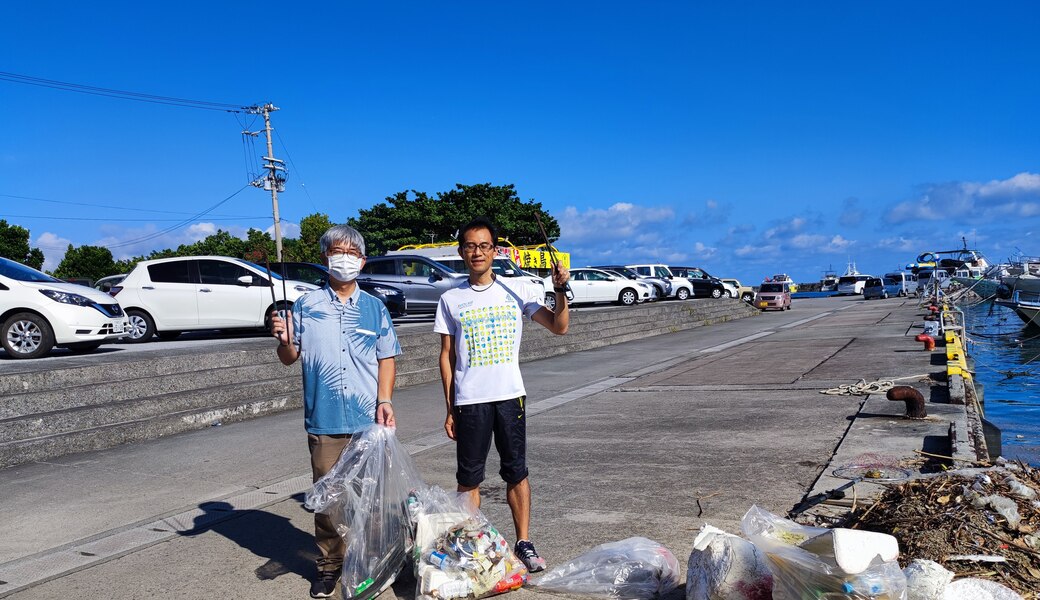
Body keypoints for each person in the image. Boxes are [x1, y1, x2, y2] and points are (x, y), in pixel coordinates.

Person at [270, 224, 401, 599]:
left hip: (367, 420)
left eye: (351, 253)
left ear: (361, 259)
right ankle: (329, 566)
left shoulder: (375, 308)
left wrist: (385, 400)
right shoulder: (305, 306)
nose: (344, 259)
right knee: (328, 502)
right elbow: (289, 357)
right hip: (324, 419)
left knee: (371, 499)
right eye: (336, 252)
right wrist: (283, 341)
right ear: (326, 257)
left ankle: (373, 562)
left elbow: (387, 357)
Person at [434, 216, 570, 573]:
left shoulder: (518, 290)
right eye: (469, 246)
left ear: (495, 250)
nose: (476, 252)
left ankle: (524, 542)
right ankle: (473, 546)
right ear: (461, 251)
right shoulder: (450, 298)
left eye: (483, 245)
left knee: (517, 472)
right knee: (469, 479)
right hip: (469, 401)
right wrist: (450, 407)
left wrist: (559, 290)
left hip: (511, 397)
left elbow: (559, 327)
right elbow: (446, 357)